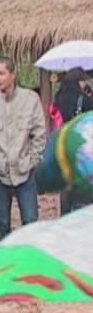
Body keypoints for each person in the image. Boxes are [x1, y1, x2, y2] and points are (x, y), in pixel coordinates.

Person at [0, 57, 46, 242]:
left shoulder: (30, 99)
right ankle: (5, 258)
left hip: (24, 167)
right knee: (2, 223)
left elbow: (39, 133)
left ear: (12, 74)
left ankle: (30, 258)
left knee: (31, 221)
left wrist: (33, 159)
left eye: (2, 73)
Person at [53, 67, 93, 214]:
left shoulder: (60, 97)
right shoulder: (83, 99)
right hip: (80, 141)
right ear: (78, 81)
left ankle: (65, 213)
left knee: (66, 180)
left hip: (63, 141)